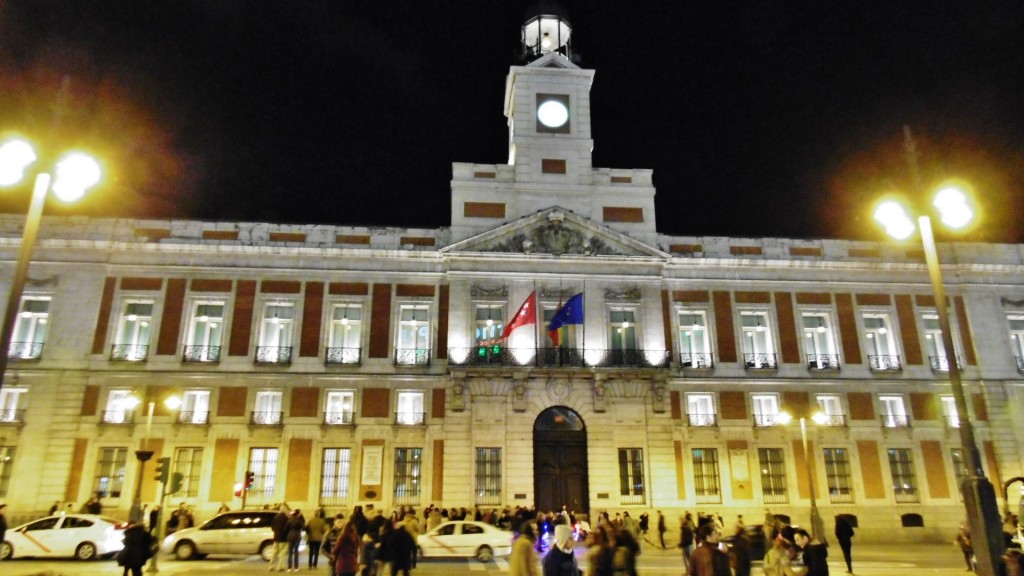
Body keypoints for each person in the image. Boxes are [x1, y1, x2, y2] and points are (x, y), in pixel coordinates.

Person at [270, 504, 291, 572]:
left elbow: (272, 527)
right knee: (282, 553)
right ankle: (280, 567)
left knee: (274, 552)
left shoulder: (275, 517)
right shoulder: (286, 518)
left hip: (276, 537)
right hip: (283, 538)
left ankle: (271, 566)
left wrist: (276, 532)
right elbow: (288, 528)